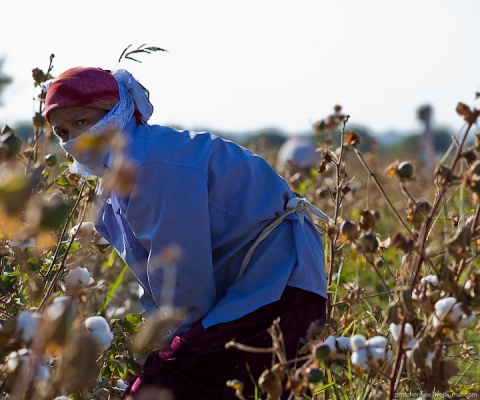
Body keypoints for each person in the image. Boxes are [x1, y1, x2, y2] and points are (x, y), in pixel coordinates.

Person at [44, 66, 328, 400]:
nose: (73, 140)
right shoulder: (123, 176)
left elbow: (183, 285)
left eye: (82, 122)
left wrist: (167, 353)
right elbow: (158, 282)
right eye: (62, 131)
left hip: (279, 287)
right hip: (257, 289)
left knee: (161, 386)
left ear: (117, 112)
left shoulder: (153, 167)